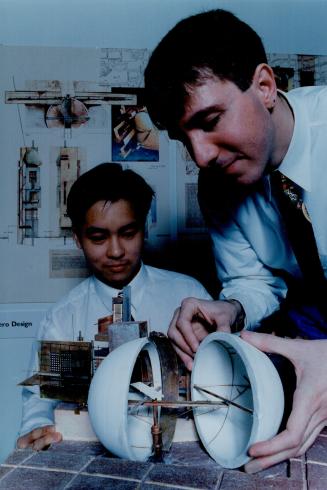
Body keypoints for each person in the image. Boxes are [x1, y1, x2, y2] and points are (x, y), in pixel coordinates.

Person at [144, 8, 327, 472]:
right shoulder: (219, 184)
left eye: (209, 120)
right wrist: (232, 308)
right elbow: (254, 281)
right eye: (183, 138)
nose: (201, 155)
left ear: (264, 86)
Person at [17, 162, 211, 451]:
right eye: (98, 238)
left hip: (179, 443)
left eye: (128, 233)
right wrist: (35, 429)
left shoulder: (189, 294)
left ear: (144, 229)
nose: (116, 251)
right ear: (78, 240)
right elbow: (39, 398)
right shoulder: (61, 318)